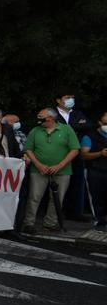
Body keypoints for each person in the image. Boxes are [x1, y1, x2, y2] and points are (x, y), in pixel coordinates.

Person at [23, 107, 82, 233]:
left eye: (41, 116)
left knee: (57, 198)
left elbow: (75, 149)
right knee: (34, 197)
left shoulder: (66, 129)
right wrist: (38, 164)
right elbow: (28, 149)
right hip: (38, 170)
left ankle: (50, 223)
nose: (38, 118)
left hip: (62, 171)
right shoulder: (35, 130)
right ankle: (28, 223)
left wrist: (59, 165)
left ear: (50, 118)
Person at [55, 92, 92, 220]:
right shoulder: (52, 114)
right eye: (67, 98)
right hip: (58, 154)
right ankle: (57, 212)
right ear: (58, 100)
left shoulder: (78, 113)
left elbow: (87, 125)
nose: (71, 100)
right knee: (59, 183)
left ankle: (76, 213)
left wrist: (66, 128)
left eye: (72, 98)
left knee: (77, 183)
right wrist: (75, 127)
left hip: (75, 154)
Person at [80, 110, 107, 229]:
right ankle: (99, 221)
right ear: (99, 123)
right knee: (96, 197)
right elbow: (84, 155)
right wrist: (100, 153)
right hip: (94, 170)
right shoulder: (89, 136)